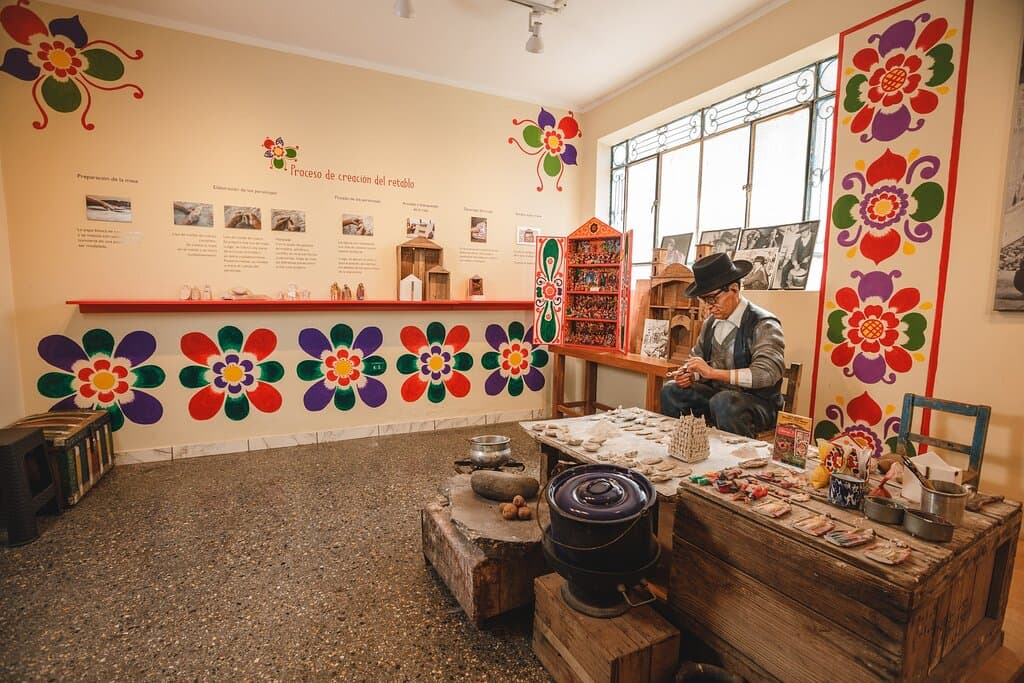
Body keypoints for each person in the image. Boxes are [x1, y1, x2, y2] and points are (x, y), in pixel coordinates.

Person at [660, 252, 786, 436]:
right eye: (704, 300)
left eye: (713, 299)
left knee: (724, 402)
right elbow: (697, 359)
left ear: (734, 289)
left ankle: (736, 461)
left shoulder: (763, 323)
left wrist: (713, 373)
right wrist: (690, 375)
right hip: (719, 399)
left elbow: (766, 374)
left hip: (759, 404)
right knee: (671, 390)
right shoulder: (711, 323)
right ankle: (683, 446)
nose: (709, 307)